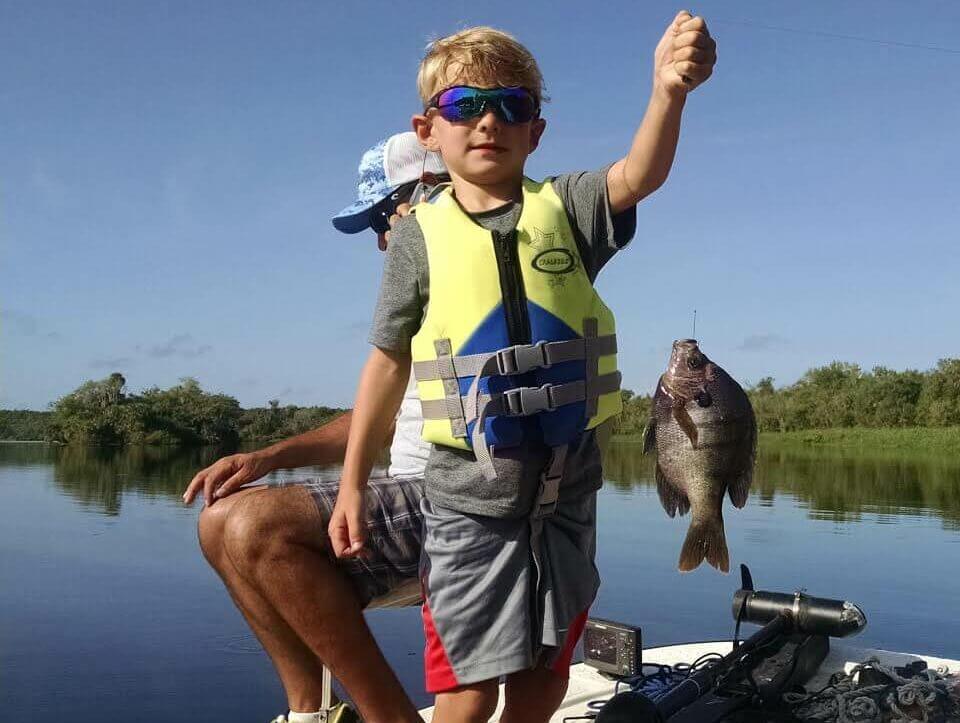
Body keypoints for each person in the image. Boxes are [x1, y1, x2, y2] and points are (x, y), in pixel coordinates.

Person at [330, 14, 717, 723]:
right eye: (464, 105)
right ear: (427, 130)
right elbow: (385, 364)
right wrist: (352, 484)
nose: (489, 121)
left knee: (544, 676)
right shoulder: (417, 238)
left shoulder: (568, 208)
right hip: (468, 503)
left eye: (510, 105)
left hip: (569, 496)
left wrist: (669, 90)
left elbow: (640, 173)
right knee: (468, 689)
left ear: (535, 131)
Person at [183, 133, 447, 723]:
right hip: (409, 493)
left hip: (460, 500)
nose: (381, 239)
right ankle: (313, 712)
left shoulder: (475, 276)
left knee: (259, 526)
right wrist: (268, 457)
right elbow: (376, 422)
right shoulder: (416, 296)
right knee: (217, 521)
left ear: (429, 189)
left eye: (382, 216)